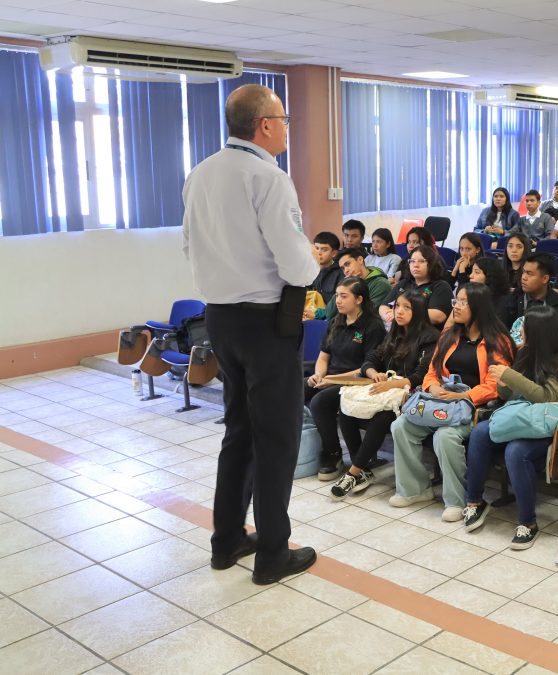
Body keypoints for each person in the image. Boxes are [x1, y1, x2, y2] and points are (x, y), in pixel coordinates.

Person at [182, 83, 319, 583]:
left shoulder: (200, 174)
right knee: (277, 437)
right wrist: (308, 266)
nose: (286, 128)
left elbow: (188, 246)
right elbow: (296, 263)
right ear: (264, 124)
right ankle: (272, 555)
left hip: (219, 316)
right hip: (267, 322)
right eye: (284, 120)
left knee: (237, 430)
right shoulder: (269, 177)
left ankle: (226, 541)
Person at [462, 306, 558, 548]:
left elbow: (548, 397)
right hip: (522, 415)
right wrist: (503, 382)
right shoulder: (526, 353)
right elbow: (508, 394)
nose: (521, 334)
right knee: (479, 433)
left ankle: (528, 522)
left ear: (539, 332)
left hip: (550, 422)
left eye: (525, 329)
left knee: (516, 451)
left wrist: (510, 375)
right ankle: (475, 502)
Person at [388, 283, 515, 521]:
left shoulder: (498, 341)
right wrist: (433, 387)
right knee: (401, 426)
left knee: (445, 436)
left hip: (475, 408)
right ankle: (416, 489)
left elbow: (496, 384)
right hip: (442, 402)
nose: (456, 306)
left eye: (463, 302)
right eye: (456, 300)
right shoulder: (449, 335)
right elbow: (432, 371)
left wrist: (464, 396)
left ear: (479, 306)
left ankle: (457, 500)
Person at [332, 290, 439, 499]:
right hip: (387, 389)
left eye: (406, 307)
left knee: (382, 418)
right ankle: (361, 469)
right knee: (346, 410)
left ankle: (353, 473)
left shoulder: (430, 337)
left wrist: (393, 385)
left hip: (410, 394)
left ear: (417, 311)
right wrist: (374, 373)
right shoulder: (394, 333)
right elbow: (371, 358)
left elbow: (421, 375)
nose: (399, 311)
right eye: (397, 306)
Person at [305, 278, 386, 480]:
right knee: (297, 387)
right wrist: (319, 375)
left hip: (357, 381)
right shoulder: (336, 321)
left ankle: (333, 454)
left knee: (320, 401)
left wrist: (332, 380)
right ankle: (306, 448)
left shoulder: (373, 326)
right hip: (331, 376)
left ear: (359, 299)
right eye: (337, 295)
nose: (338, 301)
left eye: (344, 296)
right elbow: (323, 357)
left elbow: (367, 367)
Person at [380, 245, 454, 327]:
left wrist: (402, 313)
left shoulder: (441, 286)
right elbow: (383, 306)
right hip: (398, 331)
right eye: (412, 261)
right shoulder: (404, 283)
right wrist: (388, 316)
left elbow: (438, 316)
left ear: (432, 263)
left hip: (425, 335)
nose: (415, 265)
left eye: (421, 261)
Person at [506, 252, 558, 339]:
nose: (523, 277)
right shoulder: (513, 297)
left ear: (545, 279)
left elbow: (556, 340)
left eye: (529, 274)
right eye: (523, 272)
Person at [469, 256, 511, 325]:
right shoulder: (471, 295)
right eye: (472, 271)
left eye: (477, 272)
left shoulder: (502, 303)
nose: (471, 276)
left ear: (489, 276)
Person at [310, 232, 344, 305]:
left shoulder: (340, 273)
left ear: (334, 253)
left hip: (328, 314)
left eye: (324, 250)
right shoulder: (309, 270)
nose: (319, 253)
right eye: (317, 248)